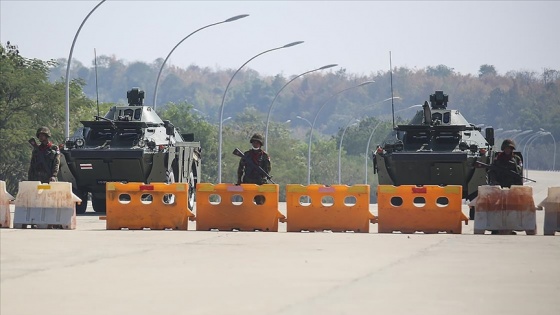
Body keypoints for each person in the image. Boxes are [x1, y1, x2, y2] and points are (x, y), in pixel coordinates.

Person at [237, 133, 271, 205]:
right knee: (246, 203)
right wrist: (239, 180)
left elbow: (267, 169)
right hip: (247, 181)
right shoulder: (246, 154)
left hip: (259, 182)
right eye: (254, 142)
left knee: (261, 204)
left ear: (260, 144)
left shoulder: (264, 156)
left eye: (257, 142)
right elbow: (240, 168)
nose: (255, 144)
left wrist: (265, 178)